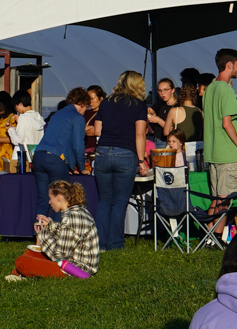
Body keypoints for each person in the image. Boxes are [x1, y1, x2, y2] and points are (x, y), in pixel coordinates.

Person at [90, 72, 150, 250]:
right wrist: (141, 160)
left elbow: (98, 130)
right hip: (125, 153)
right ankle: (116, 243)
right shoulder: (139, 105)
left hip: (102, 153)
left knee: (104, 200)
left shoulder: (107, 102)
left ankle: (100, 243)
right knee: (119, 201)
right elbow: (140, 134)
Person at [29, 86, 92, 227]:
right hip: (56, 160)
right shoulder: (77, 117)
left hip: (39, 156)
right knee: (60, 199)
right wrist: (81, 167)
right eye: (86, 106)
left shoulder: (57, 114)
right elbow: (78, 145)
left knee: (43, 199)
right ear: (82, 104)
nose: (85, 110)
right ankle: (58, 236)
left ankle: (39, 237)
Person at [11, 180, 100, 278]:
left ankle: (18, 275)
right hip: (72, 264)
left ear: (58, 198)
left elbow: (60, 255)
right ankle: (16, 275)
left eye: (50, 198)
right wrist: (50, 225)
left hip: (75, 270)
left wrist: (43, 235)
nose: (49, 202)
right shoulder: (78, 211)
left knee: (22, 261)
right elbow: (68, 234)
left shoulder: (72, 217)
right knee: (30, 253)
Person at [200, 49, 237, 201]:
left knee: (217, 201)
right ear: (229, 65)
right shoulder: (226, 90)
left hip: (213, 153)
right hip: (227, 155)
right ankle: (213, 226)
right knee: (223, 204)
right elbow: (227, 123)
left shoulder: (210, 88)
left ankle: (209, 226)